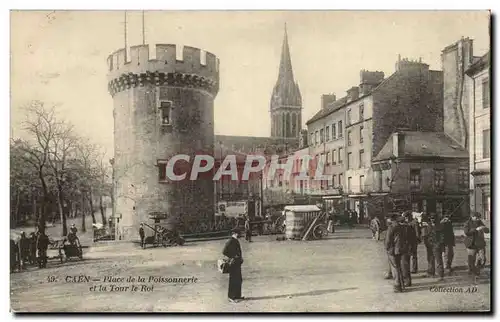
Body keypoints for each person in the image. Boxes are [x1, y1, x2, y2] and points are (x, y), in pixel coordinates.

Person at [384, 213, 410, 292]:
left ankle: (397, 285)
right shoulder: (402, 227)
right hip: (402, 249)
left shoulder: (391, 227)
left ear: (391, 219)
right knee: (400, 267)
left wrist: (387, 248)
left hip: (394, 250)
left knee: (395, 268)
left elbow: (388, 240)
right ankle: (402, 285)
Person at [463, 212, 489, 276]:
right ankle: (472, 271)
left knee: (483, 258)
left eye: (479, 218)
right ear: (472, 217)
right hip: (471, 244)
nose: (478, 219)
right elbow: (467, 232)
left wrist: (484, 228)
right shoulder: (467, 223)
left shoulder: (480, 222)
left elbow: (487, 231)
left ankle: (477, 268)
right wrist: (476, 229)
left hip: (480, 244)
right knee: (471, 260)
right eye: (476, 218)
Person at [222, 229, 244, 303]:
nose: (239, 235)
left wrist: (240, 258)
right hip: (233, 263)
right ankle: (231, 297)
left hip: (237, 263)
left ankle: (237, 295)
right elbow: (224, 251)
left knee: (239, 279)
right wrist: (232, 257)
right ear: (234, 233)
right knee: (233, 280)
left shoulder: (235, 240)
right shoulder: (230, 241)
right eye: (238, 233)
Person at [402, 211, 417, 287]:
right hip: (408, 247)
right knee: (406, 264)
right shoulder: (408, 226)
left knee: (406, 264)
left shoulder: (411, 225)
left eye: (406, 217)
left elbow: (415, 235)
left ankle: (414, 270)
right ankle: (407, 280)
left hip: (407, 247)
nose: (406, 219)